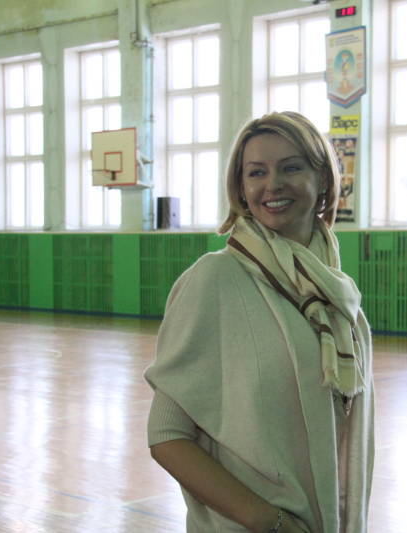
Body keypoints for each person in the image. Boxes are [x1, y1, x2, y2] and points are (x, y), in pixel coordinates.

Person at [145, 111, 374, 533]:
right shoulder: (215, 279)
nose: (273, 184)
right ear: (241, 189)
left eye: (291, 167)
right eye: (257, 172)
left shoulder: (338, 297)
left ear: (323, 180)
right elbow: (167, 435)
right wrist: (269, 521)